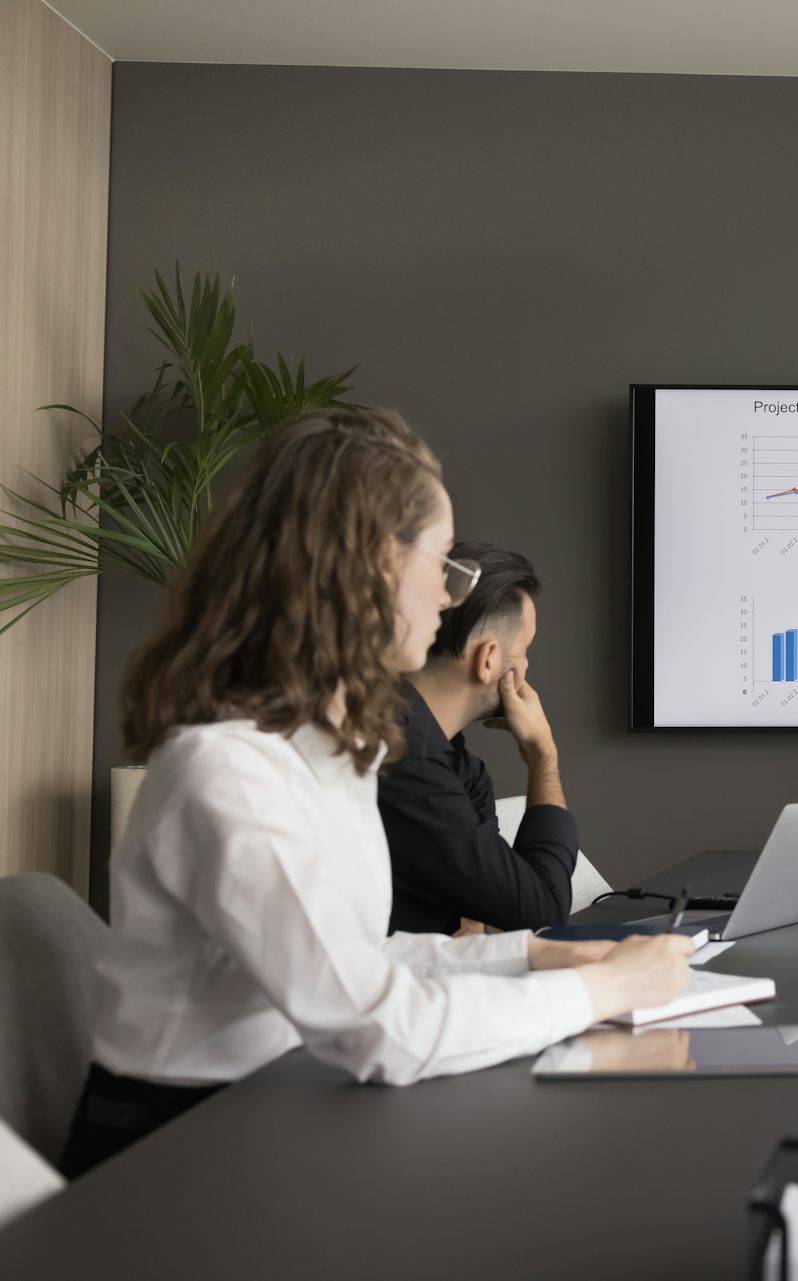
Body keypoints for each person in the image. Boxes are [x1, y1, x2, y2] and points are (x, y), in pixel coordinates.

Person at [62, 410, 691, 1177]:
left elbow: (361, 960)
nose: (447, 595)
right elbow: (378, 1026)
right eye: (442, 563)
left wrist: (531, 957)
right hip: (175, 1161)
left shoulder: (328, 749)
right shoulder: (228, 775)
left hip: (271, 1110)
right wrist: (603, 987)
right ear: (366, 569)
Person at [380, 543, 577, 935]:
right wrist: (543, 756)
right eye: (524, 651)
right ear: (488, 660)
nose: (525, 667)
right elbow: (542, 909)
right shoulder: (408, 762)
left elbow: (492, 900)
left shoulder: (458, 767)